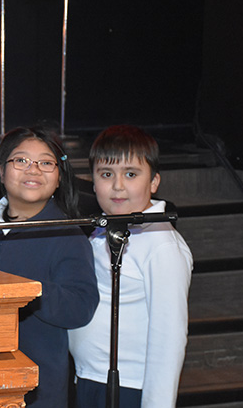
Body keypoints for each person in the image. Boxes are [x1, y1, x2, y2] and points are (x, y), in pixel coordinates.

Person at [0, 126, 99, 408]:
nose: (33, 170)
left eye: (46, 163)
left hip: (36, 388)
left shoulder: (67, 235)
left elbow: (81, 307)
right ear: (1, 171)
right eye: (21, 161)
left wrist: (25, 290)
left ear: (58, 178)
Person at [68, 125, 193, 408]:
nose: (118, 186)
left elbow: (169, 337)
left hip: (129, 387)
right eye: (106, 174)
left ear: (154, 182)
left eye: (131, 174)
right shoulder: (104, 231)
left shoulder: (161, 245)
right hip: (90, 379)